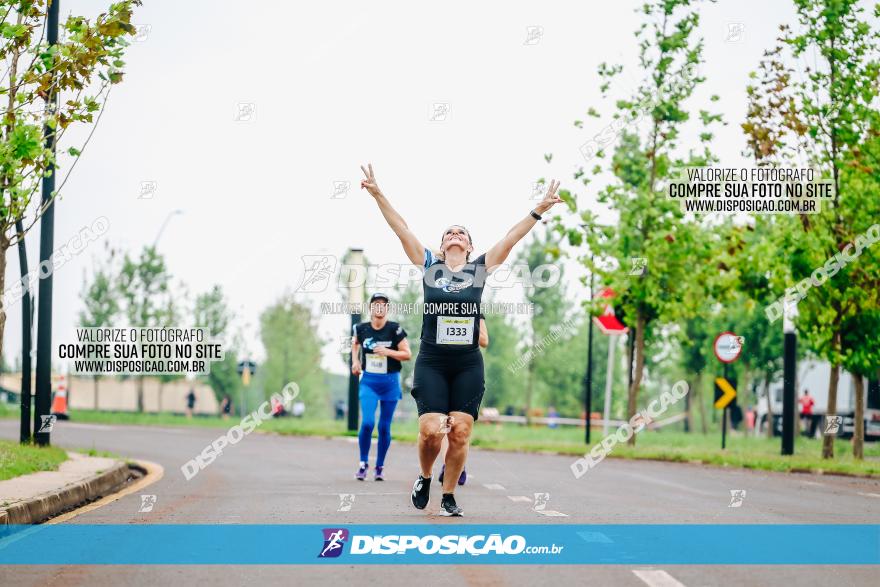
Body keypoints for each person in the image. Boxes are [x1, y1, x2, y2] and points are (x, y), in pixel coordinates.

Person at [360, 162, 561, 516]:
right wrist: (378, 194)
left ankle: (449, 493)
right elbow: (401, 228)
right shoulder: (429, 267)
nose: (455, 235)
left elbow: (511, 237)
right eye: (449, 233)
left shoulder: (479, 270)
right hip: (433, 361)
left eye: (462, 233)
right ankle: (424, 476)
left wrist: (539, 209)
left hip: (467, 362)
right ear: (441, 246)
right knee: (430, 431)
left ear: (469, 246)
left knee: (461, 432)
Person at [351, 292, 412, 481]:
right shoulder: (361, 328)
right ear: (370, 308)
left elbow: (407, 354)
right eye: (376, 303)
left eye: (383, 304)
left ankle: (379, 466)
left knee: (384, 427)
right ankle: (363, 464)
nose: (379, 307)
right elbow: (355, 345)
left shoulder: (395, 329)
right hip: (369, 381)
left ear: (387, 308)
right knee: (368, 422)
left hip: (390, 382)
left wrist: (387, 351)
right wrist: (355, 362)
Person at [438, 314, 488, 487]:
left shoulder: (473, 310)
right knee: (444, 424)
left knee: (459, 428)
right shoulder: (440, 306)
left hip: (465, 371)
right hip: (441, 369)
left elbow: (484, 340)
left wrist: (464, 326)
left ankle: (459, 464)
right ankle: (447, 464)